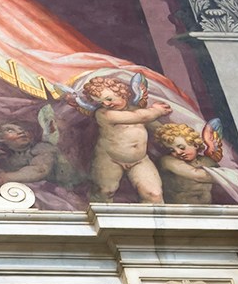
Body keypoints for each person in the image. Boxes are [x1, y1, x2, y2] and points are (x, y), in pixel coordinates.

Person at [67, 73, 172, 203]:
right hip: (110, 159)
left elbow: (156, 128)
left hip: (139, 160)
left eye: (109, 99)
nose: (106, 103)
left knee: (154, 195)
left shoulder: (136, 109)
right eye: (101, 102)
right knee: (104, 192)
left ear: (121, 92)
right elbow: (141, 117)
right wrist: (157, 111)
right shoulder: (104, 114)